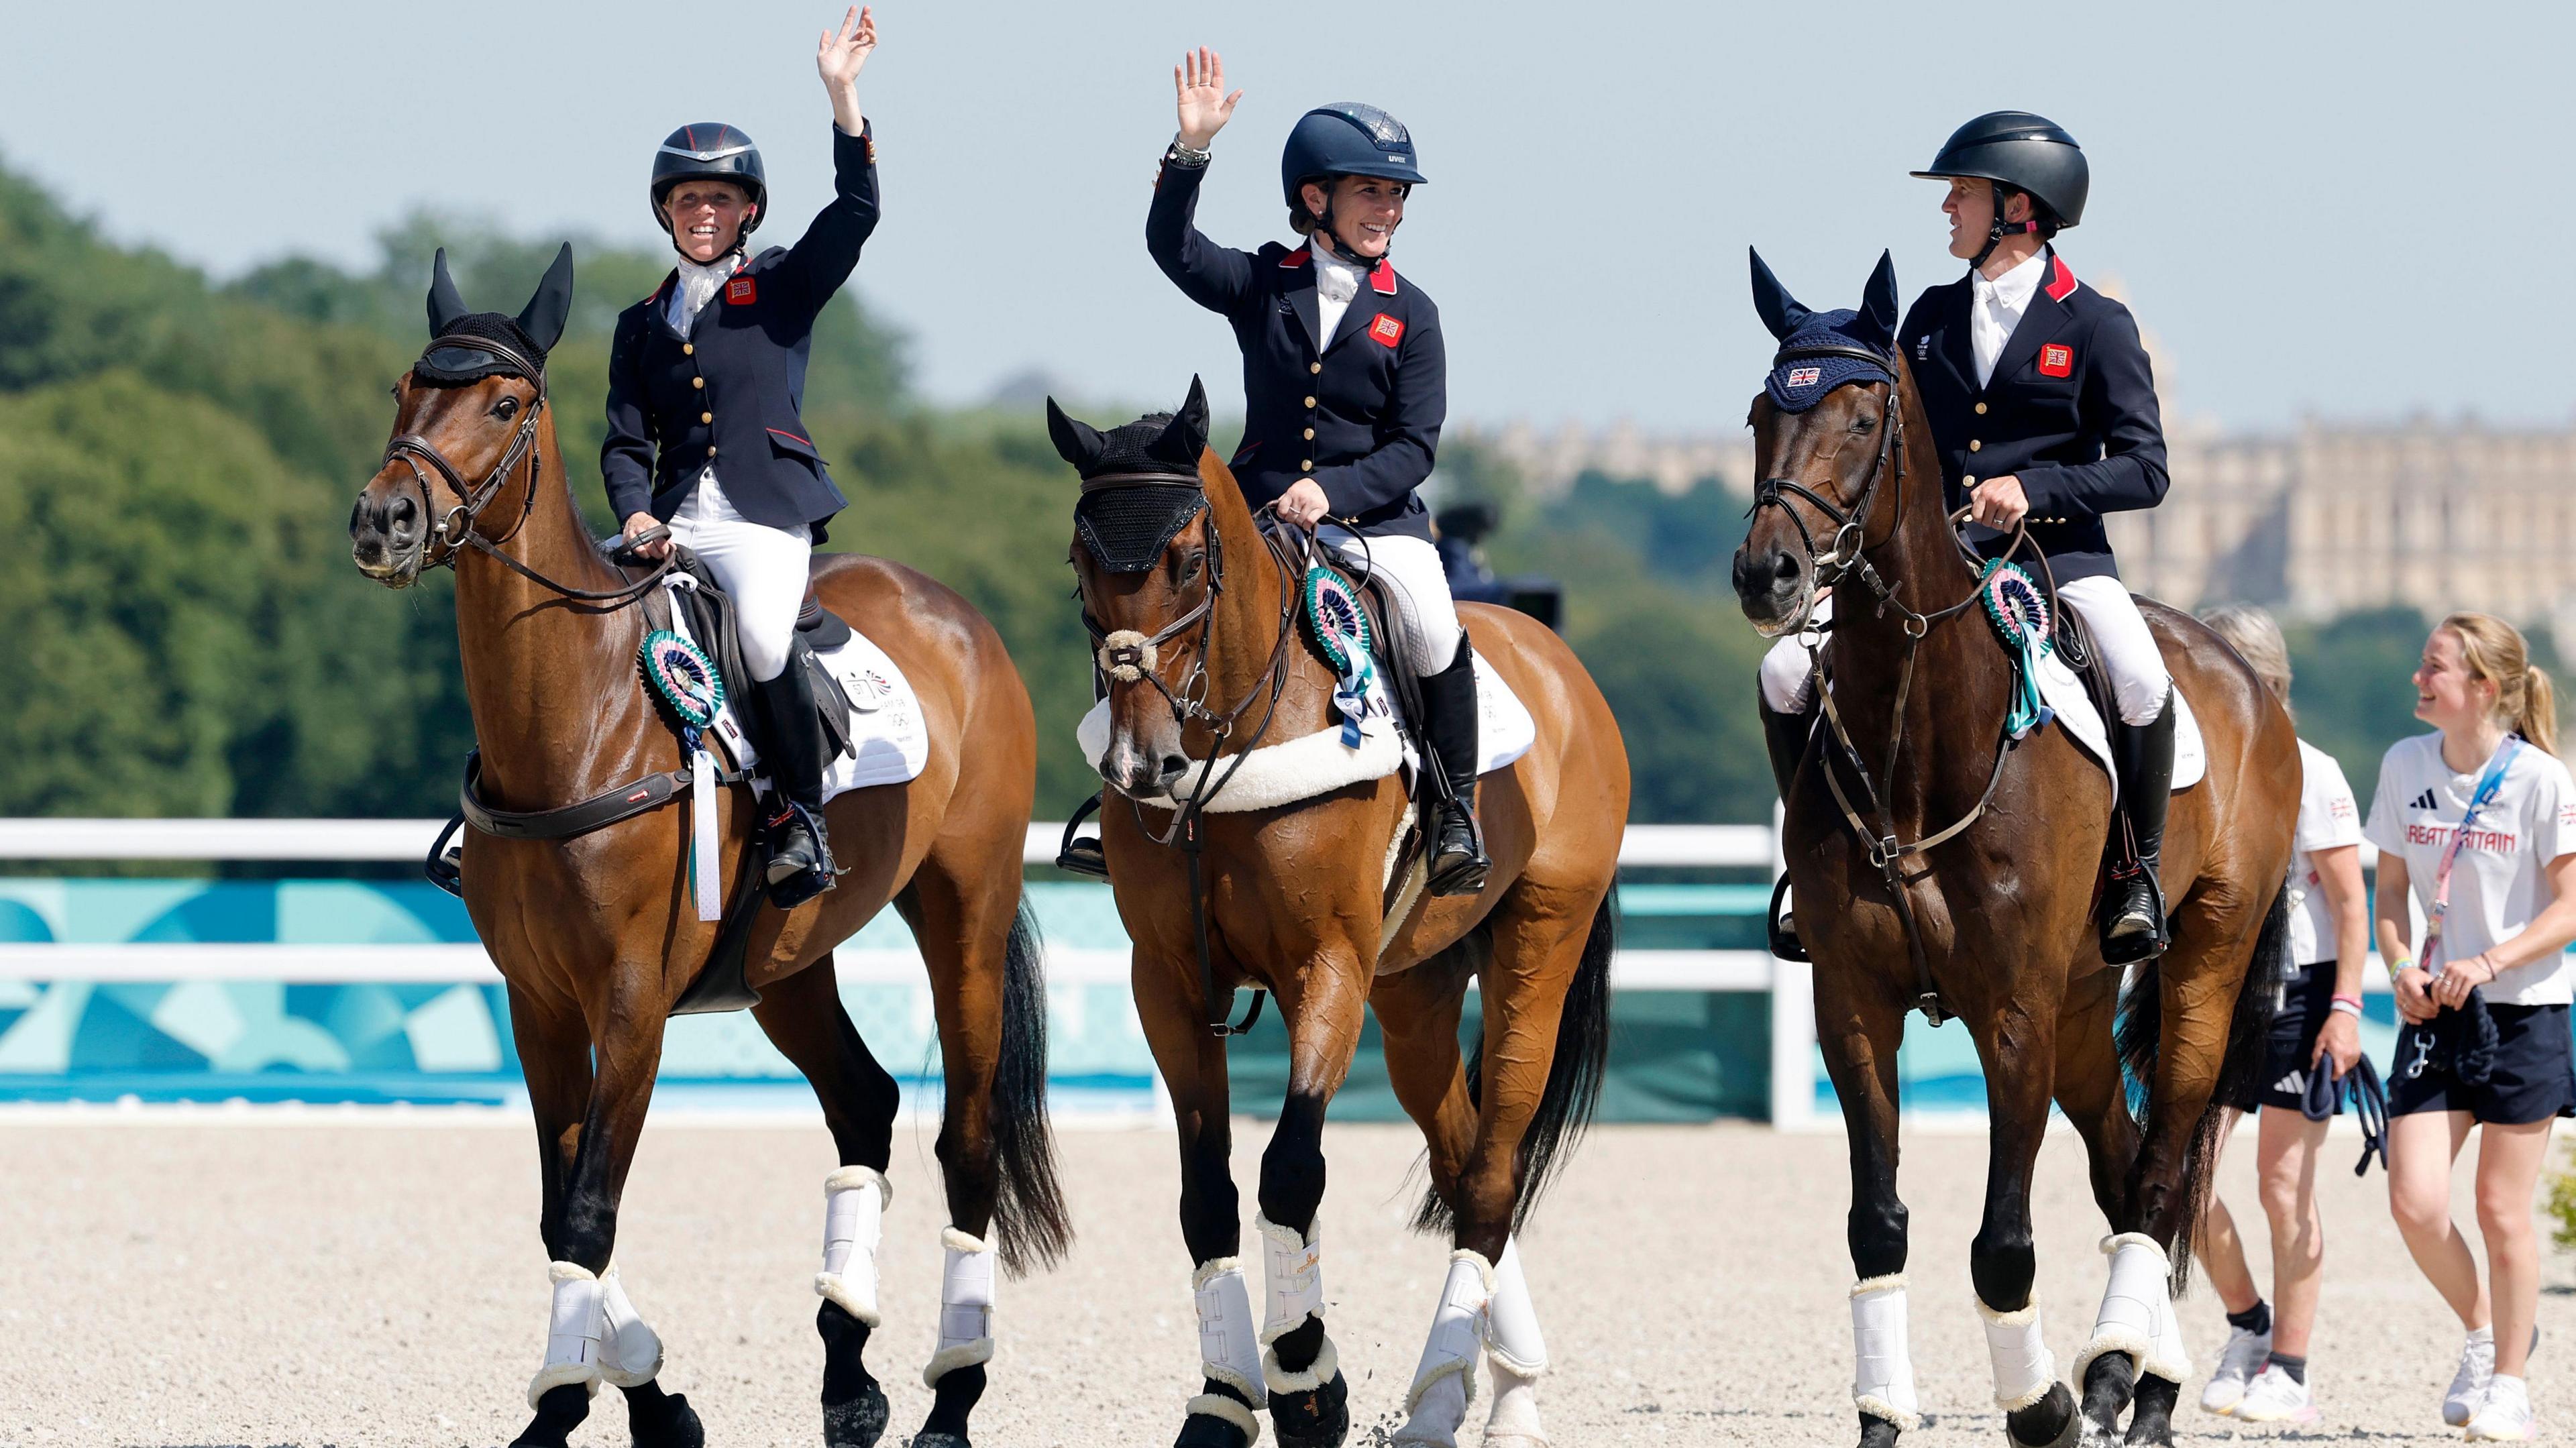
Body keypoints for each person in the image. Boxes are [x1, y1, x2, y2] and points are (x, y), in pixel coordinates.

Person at [1758, 111, 2174, 961]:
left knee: (2140, 679)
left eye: (1963, 193)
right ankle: (1811, 867)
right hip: (1933, 562)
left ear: (2018, 207)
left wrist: (2035, 489)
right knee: (1784, 669)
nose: (1948, 206)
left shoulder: (2096, 324)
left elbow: (2145, 468)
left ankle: (2136, 873)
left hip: (2060, 561)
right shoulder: (1929, 321)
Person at [1135, 47, 1485, 894]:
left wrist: (1333, 491)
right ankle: (1120, 794)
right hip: (1258, 516)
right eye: (1373, 190)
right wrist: (1191, 153)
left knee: (1435, 627)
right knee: (1154, 596)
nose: (1390, 209)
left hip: (1375, 523)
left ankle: (1454, 813)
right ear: (1315, 197)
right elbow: (1172, 248)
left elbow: (1414, 447)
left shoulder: (1416, 313)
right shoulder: (1263, 281)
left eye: (1396, 194)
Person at [602, 7, 880, 907]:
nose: (705, 213)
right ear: (667, 213)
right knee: (562, 618)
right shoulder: (639, 324)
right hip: (673, 525)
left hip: (764, 517)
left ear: (748, 209)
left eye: (721, 200)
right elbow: (621, 439)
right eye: (689, 200)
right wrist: (635, 514)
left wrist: (843, 97)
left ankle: (802, 814)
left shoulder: (782, 286)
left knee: (762, 636)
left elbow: (859, 211)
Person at [2369, 613, 2576, 1441]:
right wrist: (2399, 968)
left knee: (2499, 1207)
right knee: (2415, 1201)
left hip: (2523, 1013)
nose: (2418, 679)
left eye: (2435, 668)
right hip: (2433, 1012)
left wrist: (2488, 962)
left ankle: (2513, 1385)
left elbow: (2569, 908)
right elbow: (2388, 896)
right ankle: (2490, 1334)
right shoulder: (2403, 763)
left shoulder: (2542, 780)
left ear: (2483, 689)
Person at [2188, 605, 2369, 1425]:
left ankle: (2291, 1364)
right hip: (2218, 989)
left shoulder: (2316, 770)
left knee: (2283, 1186)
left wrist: (2345, 1007)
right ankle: (2247, 1322)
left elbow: (2351, 903)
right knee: (2183, 1179)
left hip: (2300, 991)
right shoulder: (2193, 765)